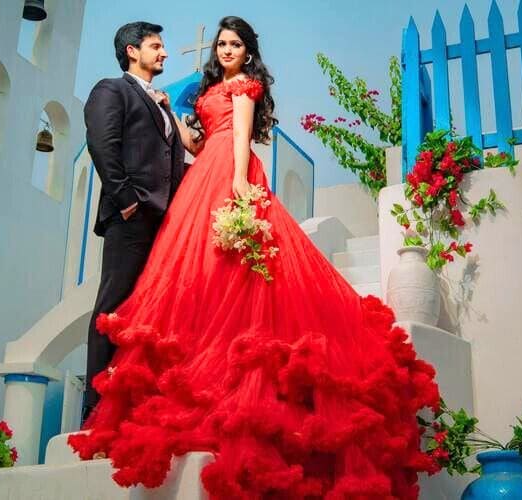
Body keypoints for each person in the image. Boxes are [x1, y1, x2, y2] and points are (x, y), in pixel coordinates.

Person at [71, 16, 440, 499]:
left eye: (235, 43)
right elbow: (197, 143)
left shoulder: (245, 85)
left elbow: (240, 137)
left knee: (238, 270)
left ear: (248, 51)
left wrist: (241, 183)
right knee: (200, 274)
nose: (226, 50)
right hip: (202, 171)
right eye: (222, 44)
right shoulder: (190, 91)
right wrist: (182, 131)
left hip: (230, 170)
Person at [81, 21, 202, 423]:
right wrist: (127, 200)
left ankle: (130, 405)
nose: (164, 52)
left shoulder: (163, 104)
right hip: (130, 219)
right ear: (132, 51)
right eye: (156, 46)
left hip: (161, 225)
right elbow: (102, 144)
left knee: (148, 312)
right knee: (112, 308)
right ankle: (94, 409)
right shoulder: (111, 90)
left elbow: (172, 166)